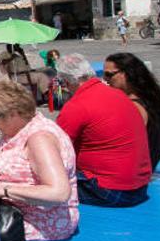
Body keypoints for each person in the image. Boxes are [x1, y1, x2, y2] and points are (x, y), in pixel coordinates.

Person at [0, 81, 79, 241]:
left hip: (38, 221)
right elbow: (0, 158)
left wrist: (4, 190)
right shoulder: (18, 129)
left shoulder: (39, 140)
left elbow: (59, 192)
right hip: (10, 211)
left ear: (13, 113)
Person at [54, 53, 151, 207]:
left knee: (37, 184)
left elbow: (55, 148)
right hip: (140, 186)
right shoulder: (120, 95)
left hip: (109, 190)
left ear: (66, 82)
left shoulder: (77, 105)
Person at [104, 53, 160, 170]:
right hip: (148, 165)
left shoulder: (134, 106)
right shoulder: (151, 98)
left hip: (136, 171)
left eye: (109, 75)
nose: (105, 79)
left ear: (127, 74)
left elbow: (123, 144)